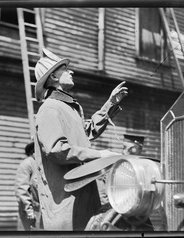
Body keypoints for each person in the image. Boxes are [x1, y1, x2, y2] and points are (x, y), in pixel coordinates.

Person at [33, 48, 128, 230]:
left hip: (82, 198)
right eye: (65, 69)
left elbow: (88, 130)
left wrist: (111, 103)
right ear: (53, 77)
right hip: (66, 206)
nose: (71, 71)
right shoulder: (50, 108)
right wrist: (99, 154)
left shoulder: (67, 108)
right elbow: (56, 149)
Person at [15, 141, 42, 230]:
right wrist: (29, 211)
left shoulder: (41, 164)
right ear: (32, 151)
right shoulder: (27, 164)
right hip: (31, 212)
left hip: (41, 211)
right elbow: (21, 189)